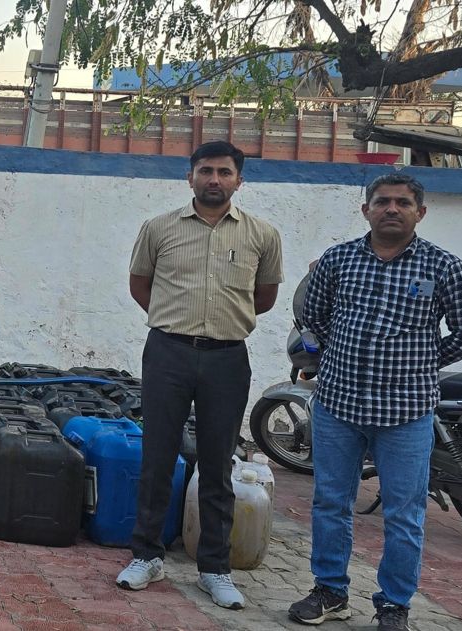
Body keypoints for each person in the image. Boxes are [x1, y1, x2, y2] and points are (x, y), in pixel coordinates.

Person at [289, 174, 462, 631]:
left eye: (402, 202)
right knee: (330, 503)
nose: (391, 209)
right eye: (382, 202)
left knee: (404, 514)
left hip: (406, 412)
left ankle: (395, 605)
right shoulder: (338, 259)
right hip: (339, 405)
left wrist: (421, 359)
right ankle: (330, 591)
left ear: (420, 212)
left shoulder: (444, 267)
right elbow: (313, 315)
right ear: (366, 210)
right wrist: (343, 350)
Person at [119, 140, 284, 609]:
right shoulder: (159, 228)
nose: (214, 179)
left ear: (239, 180)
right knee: (157, 457)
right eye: (206, 171)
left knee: (218, 463)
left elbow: (264, 297)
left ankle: (214, 568)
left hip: (227, 358)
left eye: (224, 172)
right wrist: (176, 320)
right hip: (167, 352)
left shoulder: (262, 234)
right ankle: (146, 556)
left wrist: (220, 324)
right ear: (189, 176)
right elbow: (140, 285)